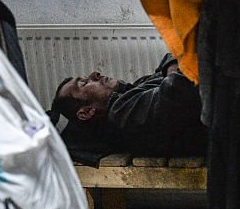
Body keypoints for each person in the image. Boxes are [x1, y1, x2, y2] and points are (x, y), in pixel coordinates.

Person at [50, 53, 206, 161]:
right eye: (84, 83)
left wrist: (174, 62)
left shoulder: (128, 96)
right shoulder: (122, 113)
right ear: (85, 112)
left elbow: (169, 68)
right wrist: (176, 61)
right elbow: (179, 87)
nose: (95, 74)